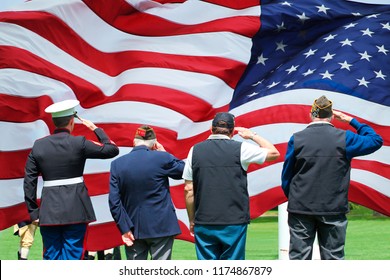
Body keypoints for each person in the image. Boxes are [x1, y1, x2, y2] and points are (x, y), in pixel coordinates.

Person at [281, 95, 383, 260]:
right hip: (333, 207)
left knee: (299, 259)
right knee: (333, 259)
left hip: (301, 206)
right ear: (331, 116)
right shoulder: (345, 138)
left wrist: (294, 197)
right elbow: (375, 140)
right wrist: (351, 121)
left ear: (311, 114)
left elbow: (287, 175)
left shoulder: (297, 138)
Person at [23, 99, 119, 260]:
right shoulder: (79, 143)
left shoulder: (39, 146)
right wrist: (96, 129)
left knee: (51, 256)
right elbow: (112, 150)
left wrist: (33, 212)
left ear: (54, 122)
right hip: (76, 209)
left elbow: (29, 180)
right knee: (74, 255)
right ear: (71, 121)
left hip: (49, 210)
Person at [183, 112, 280, 260]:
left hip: (204, 220)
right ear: (233, 130)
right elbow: (274, 153)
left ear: (211, 128)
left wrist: (191, 219)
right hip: (234, 220)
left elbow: (189, 189)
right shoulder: (241, 149)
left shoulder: (195, 150)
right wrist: (252, 135)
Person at [109, 125, 184, 260]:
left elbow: (114, 202)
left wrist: (124, 228)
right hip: (161, 225)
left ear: (134, 142)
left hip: (133, 227)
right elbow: (184, 171)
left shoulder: (117, 164)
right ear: (154, 143)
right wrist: (165, 152)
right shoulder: (162, 158)